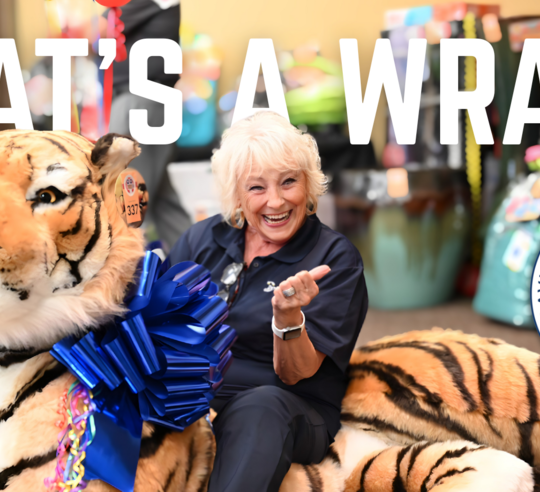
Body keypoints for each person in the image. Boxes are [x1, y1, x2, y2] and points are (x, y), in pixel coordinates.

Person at [167, 111, 368, 492]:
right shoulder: (202, 239)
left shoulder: (334, 258)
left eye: (288, 182)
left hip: (288, 406)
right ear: (237, 196)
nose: (275, 201)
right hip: (197, 396)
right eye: (257, 187)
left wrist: (287, 318)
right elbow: (161, 324)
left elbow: (295, 374)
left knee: (260, 408)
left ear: (308, 184)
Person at [107, 0, 192, 248]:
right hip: (143, 98)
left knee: (128, 194)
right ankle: (197, 259)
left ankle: (125, 265)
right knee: (164, 201)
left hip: (142, 99)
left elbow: (100, 28)